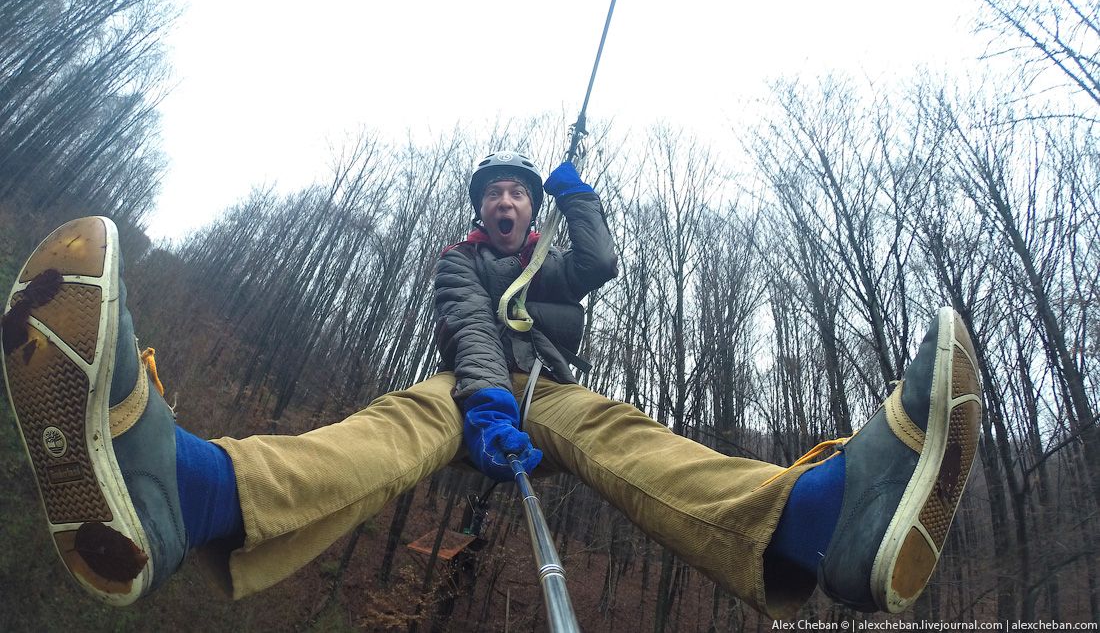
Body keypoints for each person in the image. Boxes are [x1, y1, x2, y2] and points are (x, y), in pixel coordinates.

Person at [1, 151, 982, 619]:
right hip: (466, 387)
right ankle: (182, 489)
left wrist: (578, 196)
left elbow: (596, 263)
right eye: (494, 196)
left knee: (622, 434)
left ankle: (823, 519)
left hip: (548, 396)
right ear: (478, 212)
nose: (505, 203)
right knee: (389, 429)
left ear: (530, 207)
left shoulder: (551, 259)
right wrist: (475, 398)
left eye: (518, 194)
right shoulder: (457, 261)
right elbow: (469, 326)